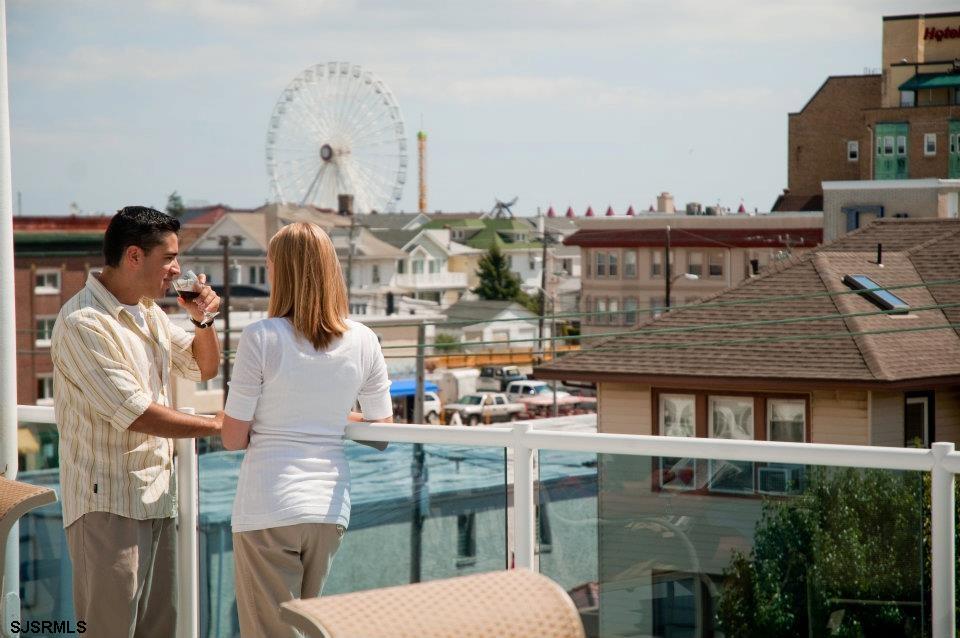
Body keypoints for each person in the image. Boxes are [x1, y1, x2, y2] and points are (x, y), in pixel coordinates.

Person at [51, 206, 224, 638]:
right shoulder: (83, 322)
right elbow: (136, 413)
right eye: (168, 257)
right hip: (107, 505)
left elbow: (203, 368)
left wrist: (203, 320)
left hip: (157, 498)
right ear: (133, 256)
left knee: (157, 630)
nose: (177, 269)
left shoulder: (151, 313)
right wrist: (219, 426)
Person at [222, 222, 392, 637]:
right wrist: (331, 416)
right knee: (307, 629)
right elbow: (381, 430)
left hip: (269, 505)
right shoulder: (365, 339)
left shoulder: (260, 337)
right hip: (328, 509)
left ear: (280, 271)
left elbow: (232, 437)